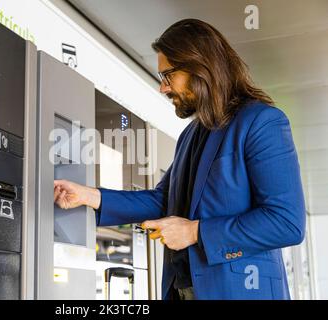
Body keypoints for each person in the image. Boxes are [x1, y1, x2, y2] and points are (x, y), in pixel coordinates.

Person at [54, 19, 305, 300]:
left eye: (168, 76)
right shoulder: (190, 135)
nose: (163, 88)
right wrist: (89, 196)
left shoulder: (262, 122)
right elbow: (164, 200)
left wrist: (195, 232)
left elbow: (286, 223)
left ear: (200, 67)